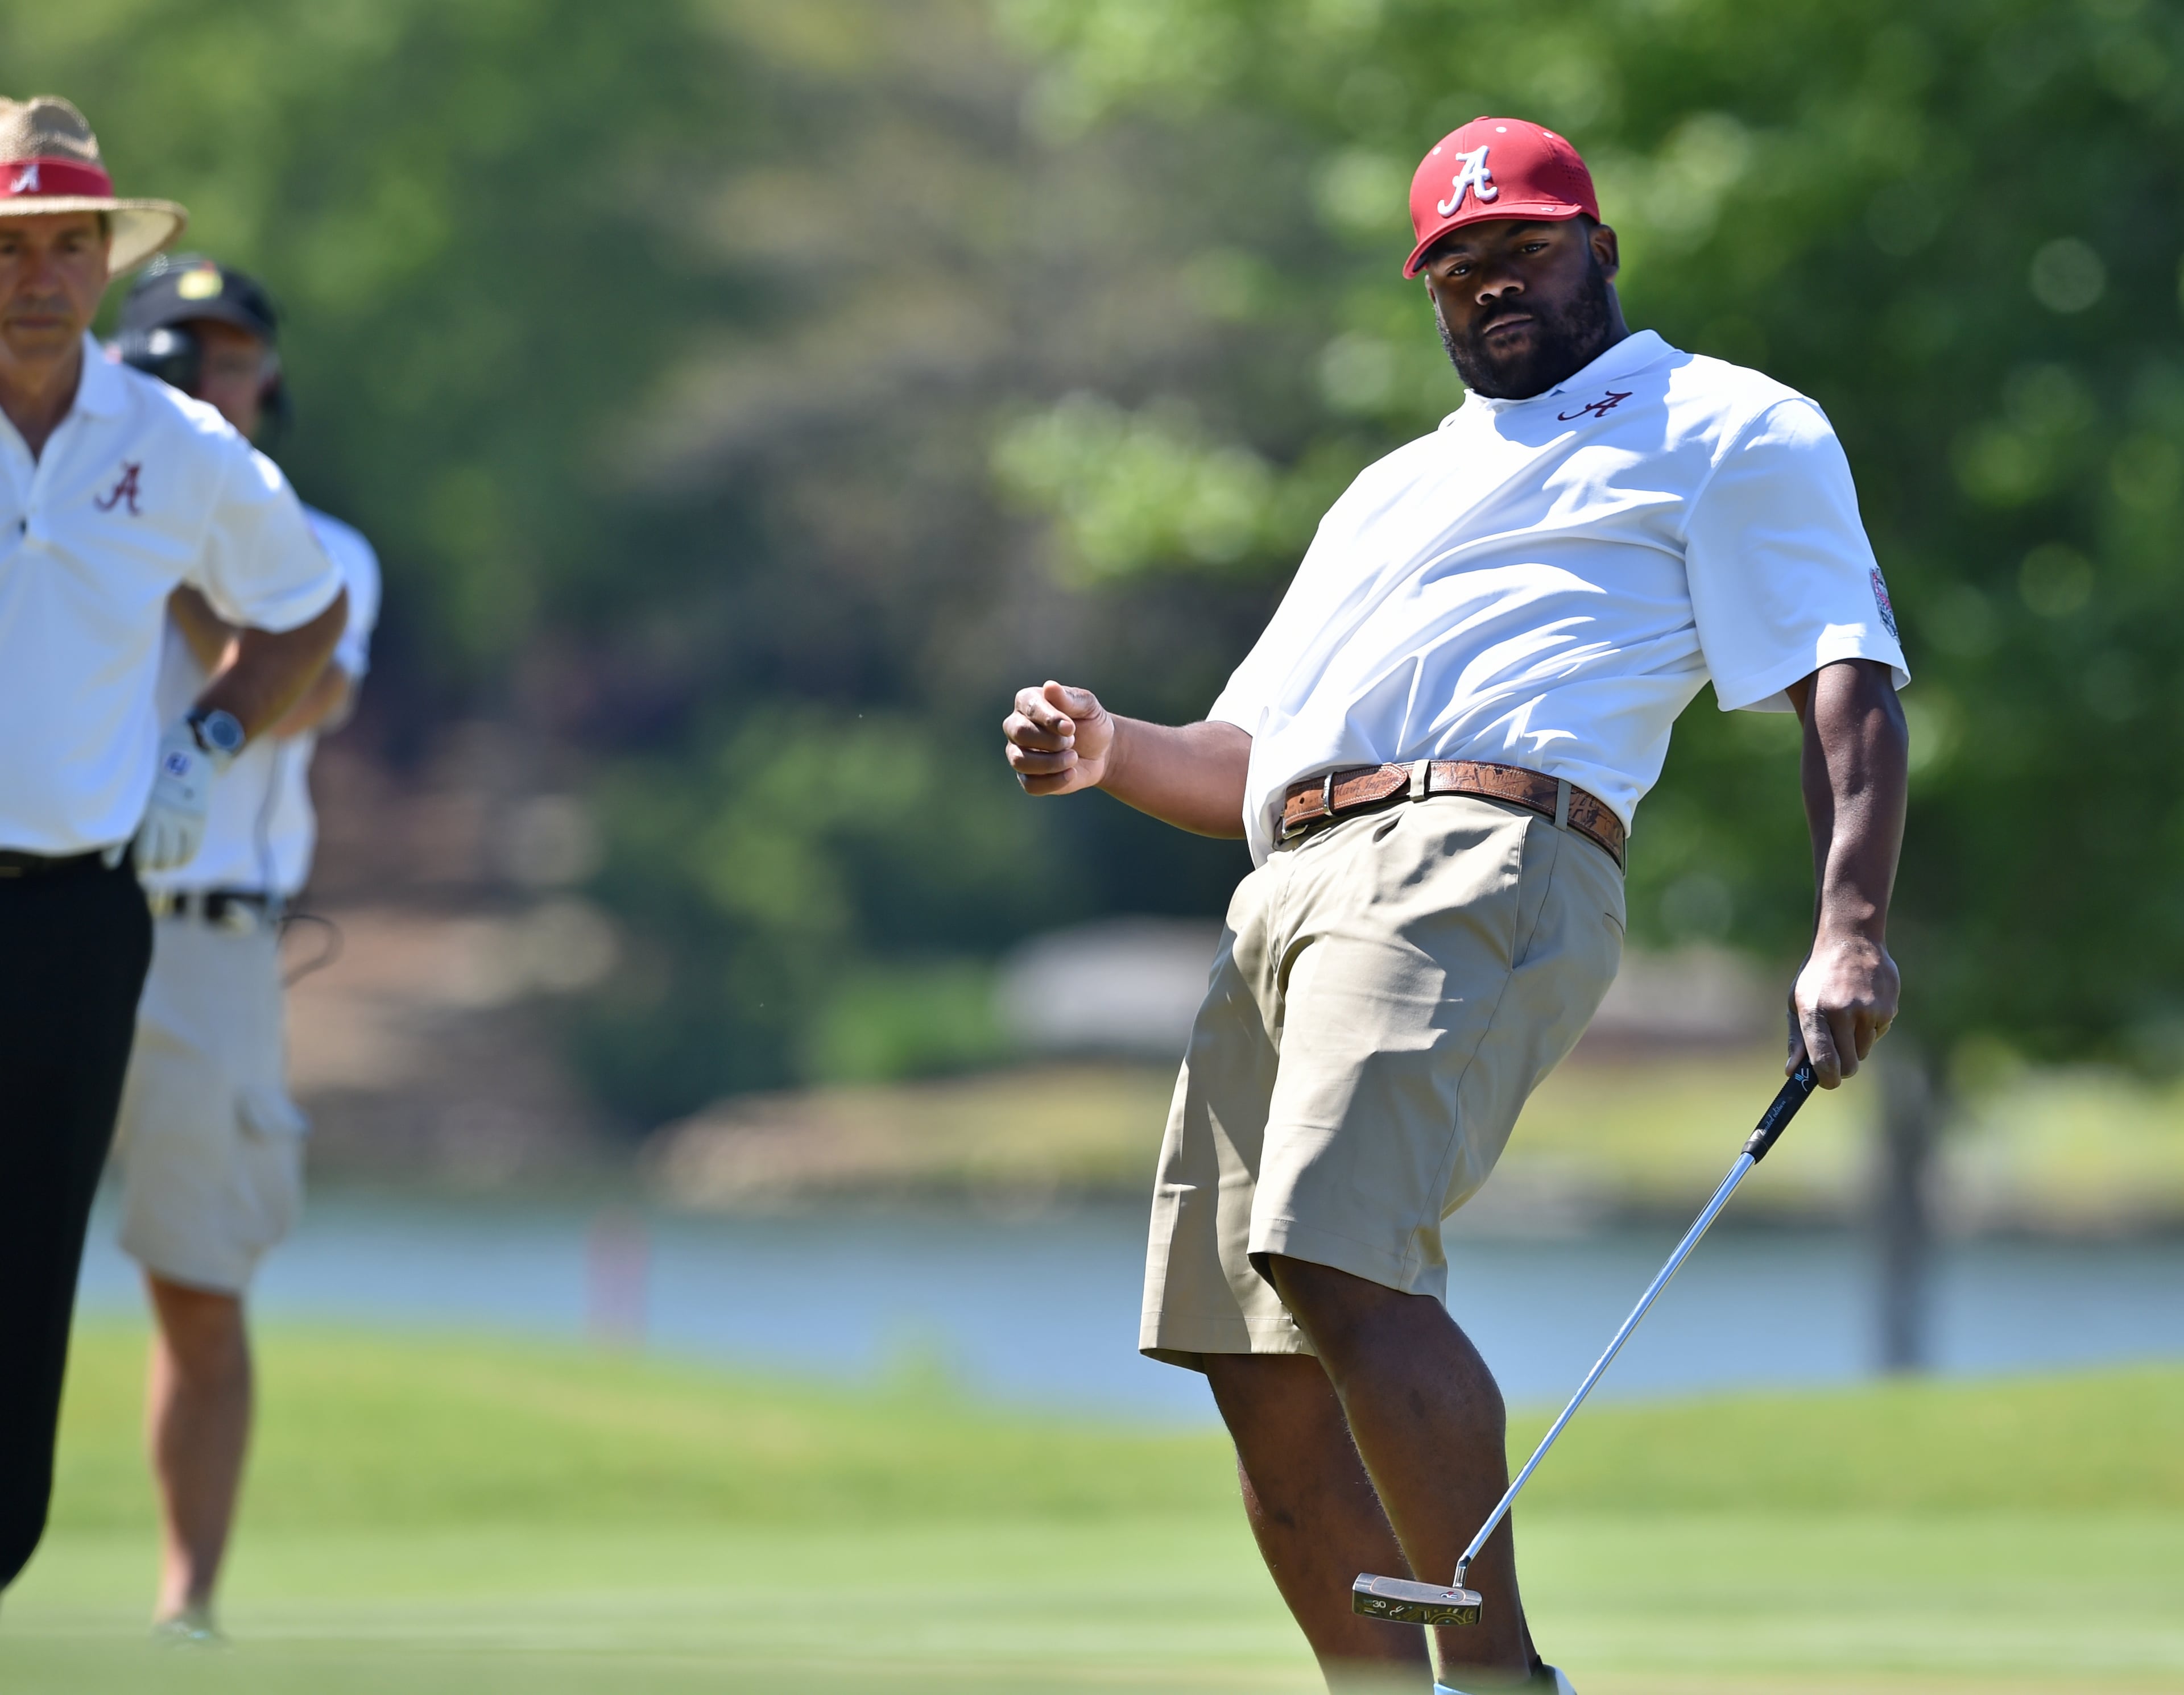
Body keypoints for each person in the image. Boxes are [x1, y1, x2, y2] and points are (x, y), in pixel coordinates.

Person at [1000, 117, 1908, 1694]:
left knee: (1334, 1251)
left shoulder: (1731, 424)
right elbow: (1247, 753)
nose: (1495, 285)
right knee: (1245, 1345)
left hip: (1484, 853)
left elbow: (1844, 668)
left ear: (1602, 249)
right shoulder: (1389, 489)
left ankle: (1499, 1683)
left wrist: (1846, 923)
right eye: (1459, 264)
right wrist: (1103, 750)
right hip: (1285, 885)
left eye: (1528, 249)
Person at [0, 95, 346, 1602]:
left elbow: (307, 606)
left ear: (101, 261)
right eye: (15, 244)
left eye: (72, 245)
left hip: (76, 919)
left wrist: (206, 741)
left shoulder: (172, 443)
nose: (43, 273)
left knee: (29, 1278)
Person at [106, 254, 382, 1641]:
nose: (209, 379)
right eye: (177, 357)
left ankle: (186, 1613)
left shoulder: (326, 547)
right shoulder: (64, 512)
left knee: (197, 1289)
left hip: (210, 940)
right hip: (52, 906)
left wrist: (172, 565)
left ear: (266, 377)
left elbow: (303, 692)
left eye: (229, 357)